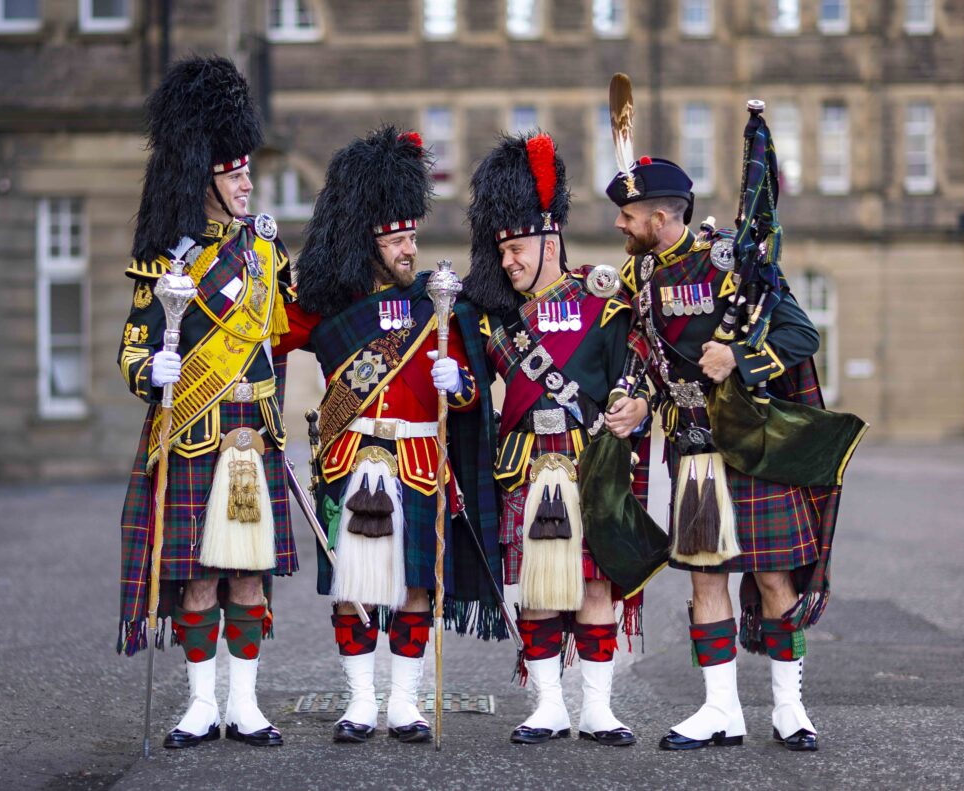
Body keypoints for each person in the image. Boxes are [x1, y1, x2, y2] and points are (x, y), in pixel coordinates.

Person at [271, 126, 505, 744]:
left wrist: (456, 384)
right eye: (399, 239)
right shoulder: (323, 306)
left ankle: (404, 701)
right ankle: (360, 701)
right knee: (353, 588)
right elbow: (259, 340)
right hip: (352, 453)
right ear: (368, 244)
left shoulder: (439, 302)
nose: (410, 249)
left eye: (412, 237)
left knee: (413, 585)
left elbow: (472, 394)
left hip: (419, 456)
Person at [607, 155, 846, 752]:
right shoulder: (637, 278)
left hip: (750, 444)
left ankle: (790, 710)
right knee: (705, 581)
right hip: (692, 449)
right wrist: (635, 400)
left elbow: (801, 334)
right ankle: (720, 710)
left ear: (660, 217)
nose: (619, 225)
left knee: (772, 578)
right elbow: (644, 358)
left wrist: (737, 358)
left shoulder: (733, 263)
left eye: (627, 216)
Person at [117, 56, 295, 749]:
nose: (247, 181)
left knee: (247, 576)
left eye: (248, 170)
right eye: (233, 172)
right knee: (195, 577)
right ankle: (198, 705)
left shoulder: (267, 255)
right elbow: (131, 353)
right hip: (193, 428)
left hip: (252, 429)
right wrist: (154, 369)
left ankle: (244, 705)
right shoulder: (166, 264)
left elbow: (278, 340)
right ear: (205, 180)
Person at [464, 132, 654, 747]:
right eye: (503, 250)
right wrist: (455, 381)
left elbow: (635, 365)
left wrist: (635, 402)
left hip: (589, 458)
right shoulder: (493, 316)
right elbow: (466, 392)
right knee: (540, 588)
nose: (510, 261)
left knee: (597, 586)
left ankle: (597, 708)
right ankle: (547, 705)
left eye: (519, 248)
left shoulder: (601, 298)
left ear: (552, 240)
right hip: (527, 462)